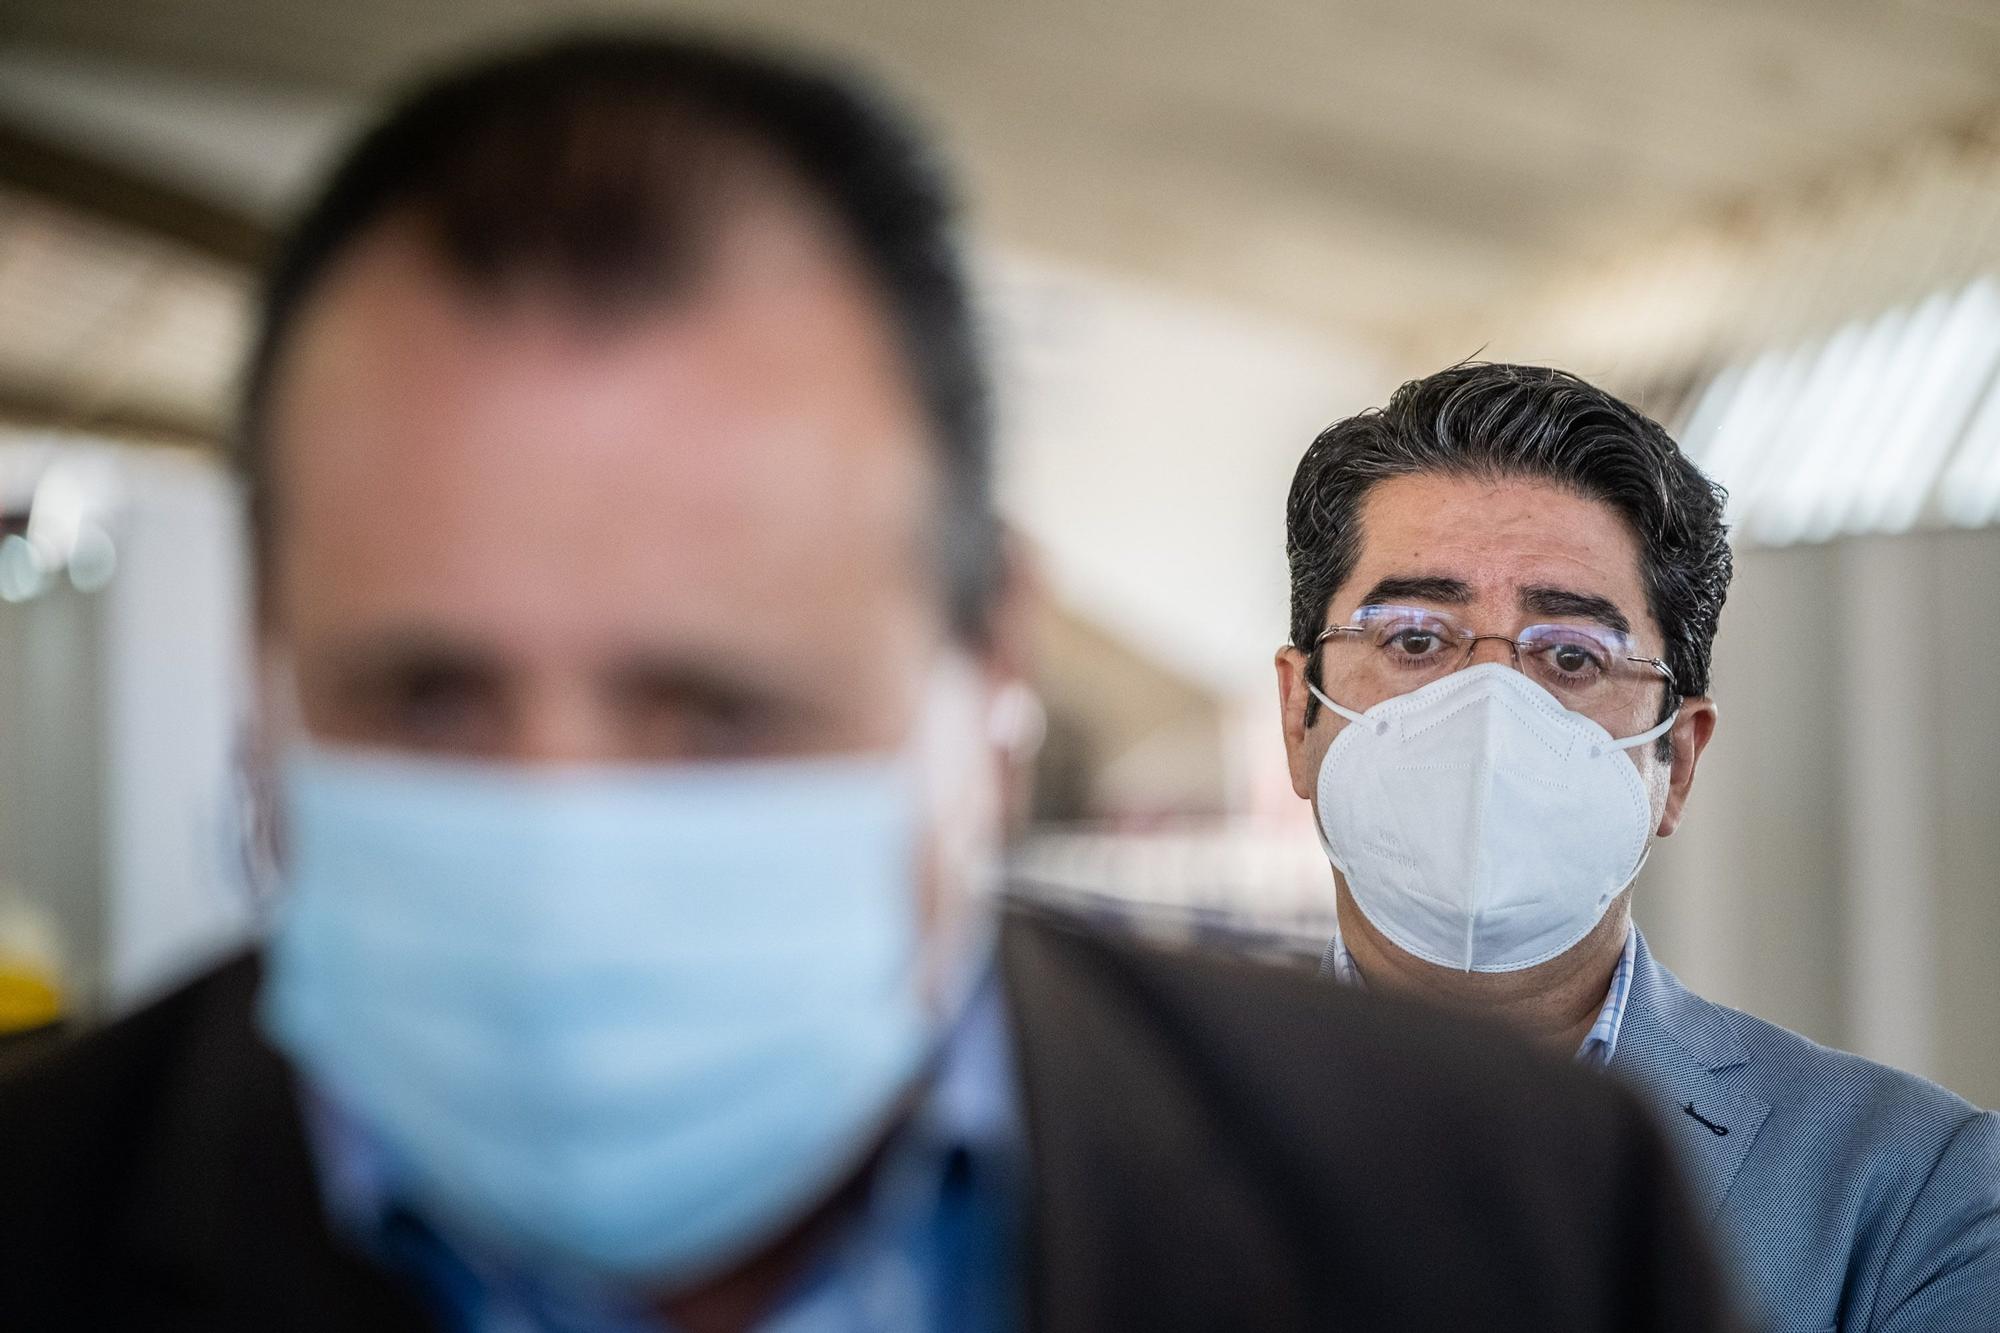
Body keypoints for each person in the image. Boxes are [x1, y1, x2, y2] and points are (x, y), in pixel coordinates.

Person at [0, 36, 1738, 1332]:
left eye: (715, 706)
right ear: (265, 678)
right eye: (432, 697)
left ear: (988, 661)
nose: (568, 828)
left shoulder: (1498, 1223)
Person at [1276, 360, 2000, 1332]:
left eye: (1570, 656)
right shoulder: (1100, 1145)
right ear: (1298, 713)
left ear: (1676, 761)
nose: (1488, 709)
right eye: (1413, 639)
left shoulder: (1913, 1193)